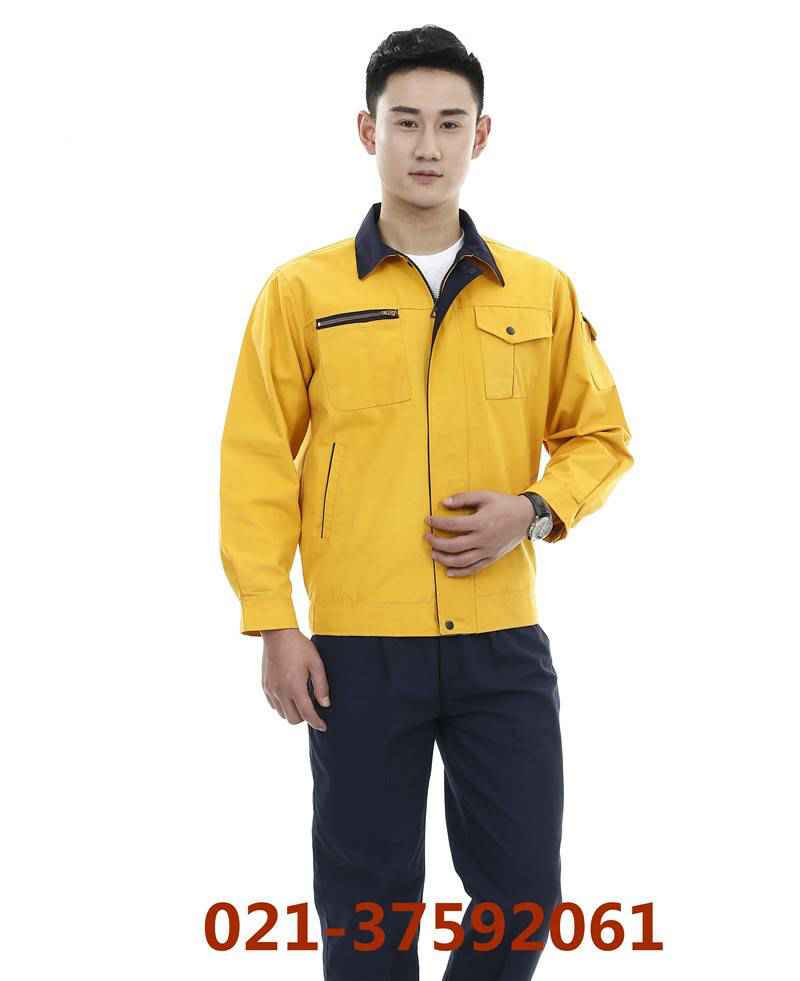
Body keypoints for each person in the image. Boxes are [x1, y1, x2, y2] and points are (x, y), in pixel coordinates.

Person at [219, 24, 634, 981]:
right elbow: (256, 462)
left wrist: (532, 509)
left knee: (522, 895)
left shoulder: (539, 289)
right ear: (368, 131)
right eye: (406, 121)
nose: (428, 146)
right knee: (367, 907)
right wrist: (272, 619)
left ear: (481, 136)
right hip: (359, 648)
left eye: (451, 123)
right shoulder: (302, 292)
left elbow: (600, 437)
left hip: (499, 640)